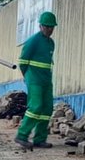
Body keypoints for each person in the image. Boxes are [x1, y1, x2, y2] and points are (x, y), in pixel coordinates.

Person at [15, 11, 58, 150]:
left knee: (47, 108)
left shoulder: (51, 43)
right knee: (35, 107)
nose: (49, 29)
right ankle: (22, 135)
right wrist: (27, 77)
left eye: (51, 27)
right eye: (46, 26)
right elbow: (22, 61)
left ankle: (40, 138)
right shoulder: (33, 41)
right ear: (40, 26)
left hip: (46, 80)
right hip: (34, 80)